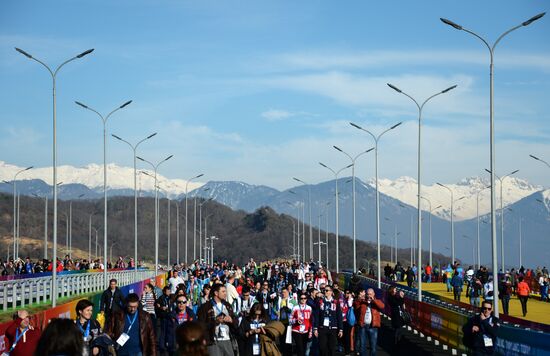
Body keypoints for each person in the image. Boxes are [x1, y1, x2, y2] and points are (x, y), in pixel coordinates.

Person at [197, 283, 239, 356]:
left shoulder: (227, 305)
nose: (225, 293)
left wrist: (231, 320)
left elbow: (236, 322)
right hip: (213, 341)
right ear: (216, 293)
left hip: (228, 340)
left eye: (225, 291)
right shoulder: (205, 307)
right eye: (223, 291)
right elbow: (200, 326)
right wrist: (215, 322)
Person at [314, 285, 343, 356]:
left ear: (331, 292)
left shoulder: (336, 302)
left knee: (331, 348)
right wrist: (315, 328)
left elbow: (339, 316)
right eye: (324, 290)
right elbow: (317, 316)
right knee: (322, 347)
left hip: (332, 328)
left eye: (327, 290)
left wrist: (341, 329)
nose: (325, 292)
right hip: (322, 328)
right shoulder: (320, 302)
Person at [354, 288, 384, 356]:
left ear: (373, 294)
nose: (369, 295)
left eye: (370, 294)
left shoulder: (376, 302)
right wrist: (360, 299)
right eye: (367, 294)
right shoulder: (362, 301)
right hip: (363, 326)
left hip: (373, 327)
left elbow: (382, 306)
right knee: (362, 347)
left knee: (373, 347)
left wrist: (374, 300)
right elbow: (356, 306)